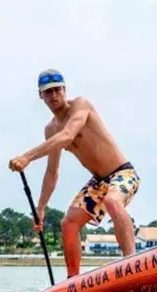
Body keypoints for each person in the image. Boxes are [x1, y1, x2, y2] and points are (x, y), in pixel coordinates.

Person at [8, 69, 141, 279]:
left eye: (57, 90)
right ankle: (73, 281)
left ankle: (131, 262)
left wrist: (27, 157)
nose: (54, 96)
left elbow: (68, 135)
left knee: (112, 201)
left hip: (122, 173)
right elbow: (52, 172)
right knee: (68, 223)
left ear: (64, 89)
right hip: (98, 182)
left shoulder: (81, 104)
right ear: (40, 96)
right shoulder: (50, 130)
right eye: (48, 92)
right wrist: (40, 208)